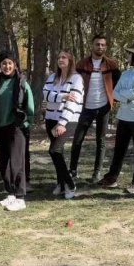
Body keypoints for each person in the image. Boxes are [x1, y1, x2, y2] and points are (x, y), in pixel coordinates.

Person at [0, 52, 34, 211]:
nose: (7, 66)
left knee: (16, 162)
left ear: (15, 65)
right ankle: (10, 193)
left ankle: (20, 198)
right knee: (4, 162)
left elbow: (30, 105)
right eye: (3, 63)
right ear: (0, 65)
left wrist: (26, 123)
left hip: (16, 127)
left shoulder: (21, 82)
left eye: (10, 63)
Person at [100, 44, 134, 194]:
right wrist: (126, 97)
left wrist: (125, 96)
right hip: (123, 117)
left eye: (130, 54)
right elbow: (114, 92)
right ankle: (111, 179)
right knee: (119, 150)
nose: (127, 57)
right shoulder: (126, 73)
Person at [70, 34, 120, 184]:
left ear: (106, 47)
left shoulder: (112, 65)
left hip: (104, 107)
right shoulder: (81, 64)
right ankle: (73, 170)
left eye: (103, 45)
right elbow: (73, 83)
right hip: (85, 107)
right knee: (77, 140)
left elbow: (118, 82)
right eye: (97, 44)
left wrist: (113, 99)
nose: (100, 47)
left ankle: (97, 173)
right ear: (92, 46)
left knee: (101, 141)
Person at [43, 51, 84, 199]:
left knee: (54, 151)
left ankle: (70, 184)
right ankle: (60, 183)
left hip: (67, 120)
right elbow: (45, 95)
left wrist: (62, 123)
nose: (60, 60)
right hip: (50, 118)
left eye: (64, 57)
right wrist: (62, 96)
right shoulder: (52, 77)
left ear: (71, 60)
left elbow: (73, 102)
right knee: (57, 154)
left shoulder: (76, 78)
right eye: (58, 57)